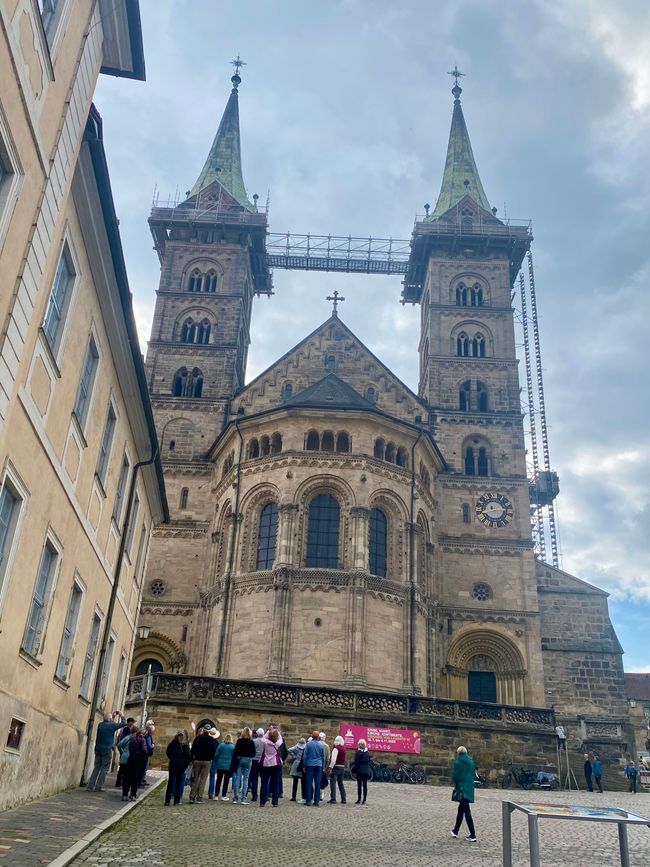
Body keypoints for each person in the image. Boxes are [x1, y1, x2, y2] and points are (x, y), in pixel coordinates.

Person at [86, 712, 125, 792]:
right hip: (106, 750)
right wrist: (121, 716)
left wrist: (112, 717)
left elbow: (110, 723)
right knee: (104, 769)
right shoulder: (112, 726)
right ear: (110, 719)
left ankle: (90, 786)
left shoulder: (100, 725)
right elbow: (123, 723)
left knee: (96, 768)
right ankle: (98, 786)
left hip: (98, 749)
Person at [451, 745, 477, 843]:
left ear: (458, 753)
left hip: (462, 788)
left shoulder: (458, 762)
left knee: (466, 812)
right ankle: (455, 830)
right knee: (461, 810)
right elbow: (473, 775)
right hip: (469, 788)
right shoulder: (471, 762)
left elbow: (455, 776)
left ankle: (473, 834)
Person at [190, 725, 217, 803]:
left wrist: (192, 759)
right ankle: (199, 797)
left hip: (197, 760)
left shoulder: (197, 738)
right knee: (203, 780)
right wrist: (211, 758)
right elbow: (213, 751)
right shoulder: (211, 739)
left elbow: (192, 750)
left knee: (195, 779)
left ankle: (192, 797)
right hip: (206, 761)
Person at [165, 731, 191, 805]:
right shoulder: (174, 744)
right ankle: (169, 800)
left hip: (180, 766)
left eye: (181, 736)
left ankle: (176, 800)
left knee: (177, 782)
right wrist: (173, 759)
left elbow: (188, 756)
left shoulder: (184, 745)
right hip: (175, 765)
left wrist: (185, 764)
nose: (180, 737)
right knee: (172, 782)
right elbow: (168, 752)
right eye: (179, 736)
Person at [122, 727, 148, 802]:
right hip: (138, 760)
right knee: (135, 779)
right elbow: (144, 750)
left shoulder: (132, 738)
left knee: (127, 778)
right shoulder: (142, 740)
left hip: (130, 759)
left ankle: (125, 794)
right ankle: (133, 795)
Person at [259, 728, 284, 807]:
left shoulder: (265, 742)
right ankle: (275, 802)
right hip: (276, 763)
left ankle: (262, 801)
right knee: (276, 783)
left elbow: (264, 737)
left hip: (266, 763)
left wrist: (269, 731)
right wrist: (277, 732)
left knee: (264, 783)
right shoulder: (278, 743)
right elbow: (280, 738)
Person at [232, 727, 256, 804]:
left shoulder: (239, 741)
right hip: (248, 760)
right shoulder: (251, 742)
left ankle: (235, 798)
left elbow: (235, 751)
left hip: (240, 759)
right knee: (246, 779)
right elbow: (253, 753)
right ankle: (243, 799)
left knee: (238, 779)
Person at [303, 730, 326, 807]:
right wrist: (323, 766)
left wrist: (304, 765)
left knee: (309, 783)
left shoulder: (308, 744)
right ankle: (317, 801)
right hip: (318, 765)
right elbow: (323, 757)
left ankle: (308, 800)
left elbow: (305, 756)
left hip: (310, 765)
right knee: (317, 783)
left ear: (312, 736)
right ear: (318, 737)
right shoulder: (321, 745)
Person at [210, 732, 234, 801]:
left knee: (218, 780)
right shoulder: (232, 747)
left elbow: (216, 754)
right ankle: (224, 795)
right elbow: (233, 756)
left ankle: (216, 795)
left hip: (220, 764)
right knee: (226, 781)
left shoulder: (221, 745)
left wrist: (216, 761)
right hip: (228, 765)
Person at [115, 717, 135, 788]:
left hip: (124, 752)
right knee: (123, 769)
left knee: (122, 768)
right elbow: (121, 741)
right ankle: (119, 782)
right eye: (132, 722)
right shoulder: (126, 730)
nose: (132, 724)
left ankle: (120, 782)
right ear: (129, 722)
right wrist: (122, 752)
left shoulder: (127, 730)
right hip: (124, 751)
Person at [328, 735, 347, 804]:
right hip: (342, 767)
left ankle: (333, 798)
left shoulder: (336, 749)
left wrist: (330, 767)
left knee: (333, 783)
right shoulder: (344, 748)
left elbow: (333, 760)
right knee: (341, 783)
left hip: (336, 767)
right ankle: (343, 798)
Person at [248, 727, 265, 802]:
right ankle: (264, 795)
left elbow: (251, 751)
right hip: (263, 761)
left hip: (254, 760)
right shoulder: (265, 742)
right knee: (264, 779)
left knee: (254, 778)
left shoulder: (254, 741)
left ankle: (254, 796)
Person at [353, 738, 371, 805]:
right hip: (366, 770)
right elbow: (369, 761)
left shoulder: (357, 753)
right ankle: (364, 800)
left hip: (359, 771)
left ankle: (359, 799)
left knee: (359, 785)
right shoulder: (368, 753)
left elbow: (356, 762)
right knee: (365, 785)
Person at [288, 737, 306, 802]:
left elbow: (289, 750)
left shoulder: (296, 747)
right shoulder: (306, 748)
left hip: (296, 764)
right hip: (302, 764)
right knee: (303, 782)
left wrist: (294, 756)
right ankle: (303, 796)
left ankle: (293, 796)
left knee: (295, 782)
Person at [141, 721, 155, 787]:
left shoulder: (146, 735)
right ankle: (141, 780)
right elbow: (149, 746)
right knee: (144, 768)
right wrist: (153, 745)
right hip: (145, 754)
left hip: (145, 754)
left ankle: (142, 780)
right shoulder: (148, 737)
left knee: (144, 768)